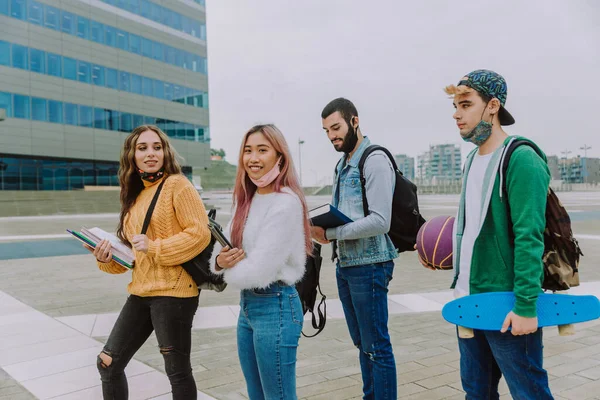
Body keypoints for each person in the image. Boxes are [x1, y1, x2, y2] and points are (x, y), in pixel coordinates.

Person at [425, 69, 553, 399]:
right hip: (468, 299)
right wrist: (445, 255)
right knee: (476, 392)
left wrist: (526, 306)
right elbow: (475, 231)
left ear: (492, 106)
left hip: (505, 302)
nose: (456, 114)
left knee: (529, 391)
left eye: (466, 104)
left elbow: (529, 237)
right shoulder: (471, 160)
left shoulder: (521, 158)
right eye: (454, 105)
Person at [84, 125, 211, 400]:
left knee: (177, 372)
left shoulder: (178, 185)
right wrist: (105, 258)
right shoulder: (134, 197)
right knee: (108, 362)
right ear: (132, 155)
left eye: (157, 147)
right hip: (140, 291)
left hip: (174, 293)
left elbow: (199, 233)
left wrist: (155, 247)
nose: (150, 153)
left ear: (165, 153)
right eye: (142, 148)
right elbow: (132, 258)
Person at [210, 124, 312, 400]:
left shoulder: (286, 202)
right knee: (257, 395)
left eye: (262, 150)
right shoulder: (248, 199)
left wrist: (226, 269)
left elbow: (259, 270)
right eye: (247, 151)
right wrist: (220, 261)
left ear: (280, 157)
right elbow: (224, 248)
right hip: (248, 308)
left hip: (276, 306)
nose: (253, 158)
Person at [312, 98, 398, 400]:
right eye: (326, 131)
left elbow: (380, 221)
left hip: (371, 264)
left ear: (354, 121)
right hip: (347, 264)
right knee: (363, 344)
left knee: (376, 346)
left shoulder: (373, 159)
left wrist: (332, 232)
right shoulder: (342, 164)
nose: (332, 135)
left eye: (336, 127)